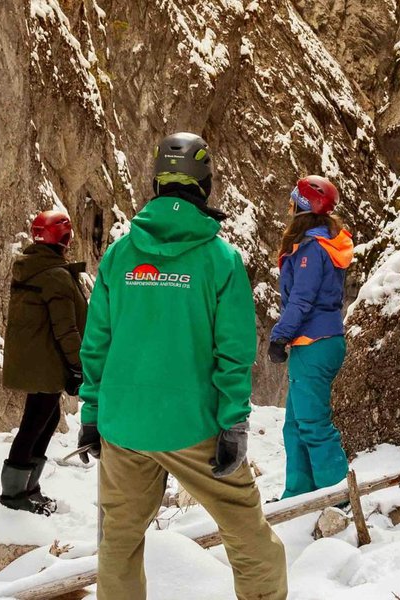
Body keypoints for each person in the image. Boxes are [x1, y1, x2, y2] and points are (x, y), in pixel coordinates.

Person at [77, 132, 287, 600]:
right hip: (195, 426)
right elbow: (234, 352)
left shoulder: (119, 255)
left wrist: (91, 412)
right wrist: (233, 421)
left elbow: (97, 344)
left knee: (120, 542)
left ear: (157, 185)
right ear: (205, 185)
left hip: (124, 423)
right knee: (247, 533)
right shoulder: (220, 259)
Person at [266, 176, 353, 499]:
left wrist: (279, 336)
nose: (289, 207)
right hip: (318, 341)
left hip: (314, 342)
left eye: (293, 202)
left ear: (303, 206)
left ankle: (338, 497)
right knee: (295, 424)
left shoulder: (312, 249)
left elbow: (302, 299)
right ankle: (299, 492)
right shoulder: (319, 244)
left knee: (313, 423)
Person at [0, 210, 87, 515]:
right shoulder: (55, 275)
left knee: (45, 421)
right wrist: (79, 366)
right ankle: (14, 495)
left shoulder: (34, 268)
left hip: (38, 360)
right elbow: (66, 328)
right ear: (64, 238)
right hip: (47, 363)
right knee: (35, 423)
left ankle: (27, 488)